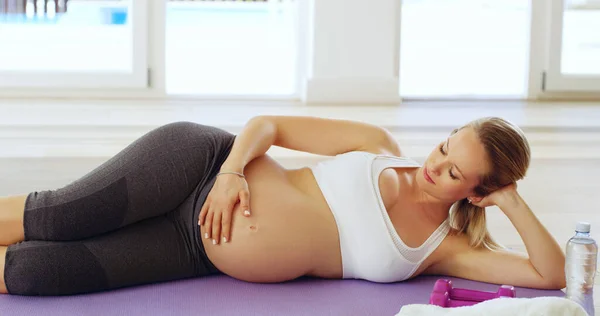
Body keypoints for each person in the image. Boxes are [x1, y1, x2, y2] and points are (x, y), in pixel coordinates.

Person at [0, 115, 566, 296]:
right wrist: (227, 175)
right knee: (61, 217)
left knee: (42, 271)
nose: (433, 163)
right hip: (201, 168)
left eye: (453, 171)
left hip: (193, 250)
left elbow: (551, 273)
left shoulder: (443, 248)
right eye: (444, 146)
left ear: (478, 192)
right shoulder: (377, 146)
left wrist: (511, 202)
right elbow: (266, 126)